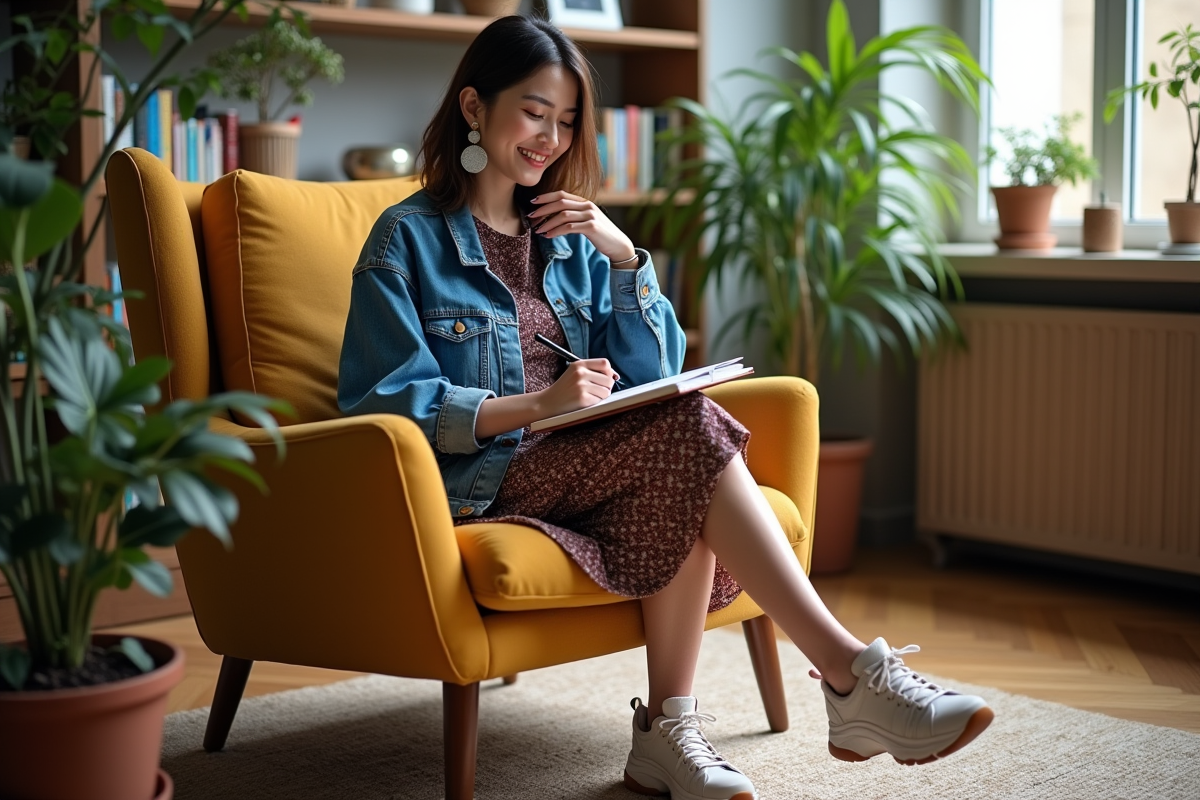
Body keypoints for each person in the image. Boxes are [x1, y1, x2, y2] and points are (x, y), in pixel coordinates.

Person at [338, 15, 993, 800]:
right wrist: (535, 404)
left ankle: (669, 735)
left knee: (684, 449)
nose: (550, 137)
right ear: (474, 108)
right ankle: (849, 675)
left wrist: (623, 255)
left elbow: (657, 371)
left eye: (568, 120)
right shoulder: (404, 240)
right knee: (690, 445)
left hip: (591, 462)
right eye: (534, 112)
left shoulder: (573, 237)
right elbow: (386, 403)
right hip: (481, 478)